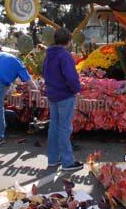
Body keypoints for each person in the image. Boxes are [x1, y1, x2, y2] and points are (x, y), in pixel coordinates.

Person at [43, 28, 83, 171]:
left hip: (52, 93)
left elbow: (44, 73)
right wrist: (77, 89)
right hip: (65, 95)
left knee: (54, 126)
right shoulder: (64, 55)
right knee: (65, 128)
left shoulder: (49, 54)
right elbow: (71, 76)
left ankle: (53, 158)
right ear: (69, 41)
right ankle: (67, 161)